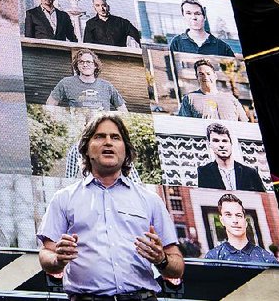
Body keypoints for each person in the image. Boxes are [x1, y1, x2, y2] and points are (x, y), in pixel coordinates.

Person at [38, 113, 184, 298]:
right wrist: (58, 260)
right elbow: (46, 255)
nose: (108, 142)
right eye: (99, 136)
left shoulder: (150, 199)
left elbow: (177, 268)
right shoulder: (64, 198)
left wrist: (162, 260)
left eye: (115, 137)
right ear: (86, 149)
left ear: (126, 150)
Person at [204, 193, 279, 264]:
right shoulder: (213, 257)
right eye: (228, 215)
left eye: (238, 215)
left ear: (245, 221)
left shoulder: (267, 258)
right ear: (222, 220)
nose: (235, 221)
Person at [46, 49, 128, 111]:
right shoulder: (66, 83)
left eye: (88, 62)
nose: (85, 65)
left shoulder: (107, 86)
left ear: (95, 65)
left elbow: (123, 110)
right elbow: (50, 104)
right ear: (77, 65)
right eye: (81, 62)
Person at [197, 123, 265, 192]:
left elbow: (265, 199)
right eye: (216, 141)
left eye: (224, 141)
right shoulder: (204, 172)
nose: (221, 145)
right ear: (209, 144)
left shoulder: (250, 172)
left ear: (231, 143)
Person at [178, 59, 248, 122]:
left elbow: (244, 124)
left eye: (208, 74)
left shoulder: (231, 98)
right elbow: (184, 124)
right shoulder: (189, 99)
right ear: (197, 77)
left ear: (215, 76)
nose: (205, 77)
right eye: (201, 74)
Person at [169, 0, 235, 56]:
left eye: (197, 13)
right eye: (188, 13)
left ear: (204, 17)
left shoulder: (222, 46)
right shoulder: (177, 42)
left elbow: (235, 69)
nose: (193, 17)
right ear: (183, 16)